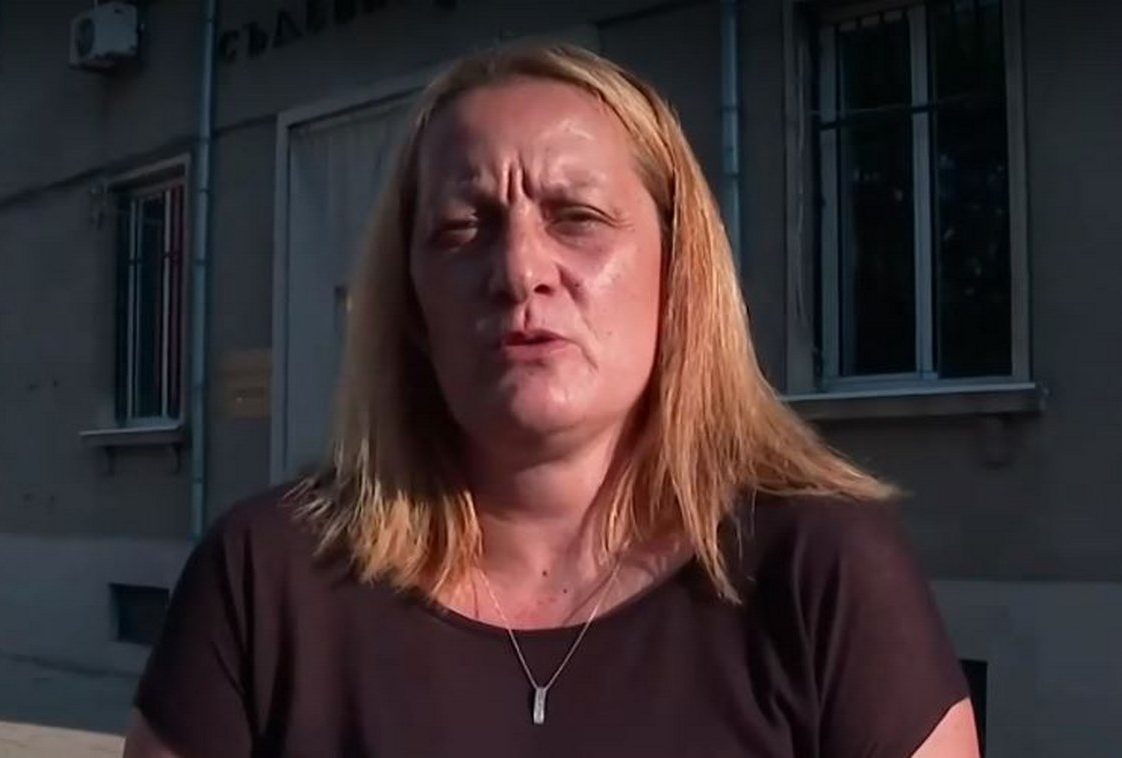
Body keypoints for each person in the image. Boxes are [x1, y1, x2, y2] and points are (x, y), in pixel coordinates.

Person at [124, 43, 978, 757]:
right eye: (462, 229)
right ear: (411, 301)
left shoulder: (824, 572)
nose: (519, 270)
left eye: (577, 217)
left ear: (678, 271)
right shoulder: (265, 580)